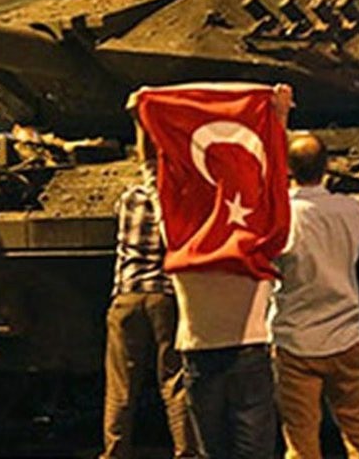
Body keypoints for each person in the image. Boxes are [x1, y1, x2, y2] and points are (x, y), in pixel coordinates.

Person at [169, 83, 294, 459]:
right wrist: (279, 119)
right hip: (250, 355)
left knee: (213, 447)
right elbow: (273, 186)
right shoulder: (255, 238)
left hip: (198, 356)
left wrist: (144, 120)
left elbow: (155, 180)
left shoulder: (181, 242)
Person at [270, 133, 359, 459]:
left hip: (294, 342)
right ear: (327, 167)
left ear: (288, 169)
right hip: (345, 338)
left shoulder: (280, 216)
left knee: (300, 438)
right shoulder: (349, 210)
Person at [101, 119, 198, 459]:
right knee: (173, 380)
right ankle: (186, 451)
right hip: (165, 297)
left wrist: (140, 118)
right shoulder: (181, 199)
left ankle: (115, 452)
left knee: (120, 385)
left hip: (126, 295)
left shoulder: (128, 197)